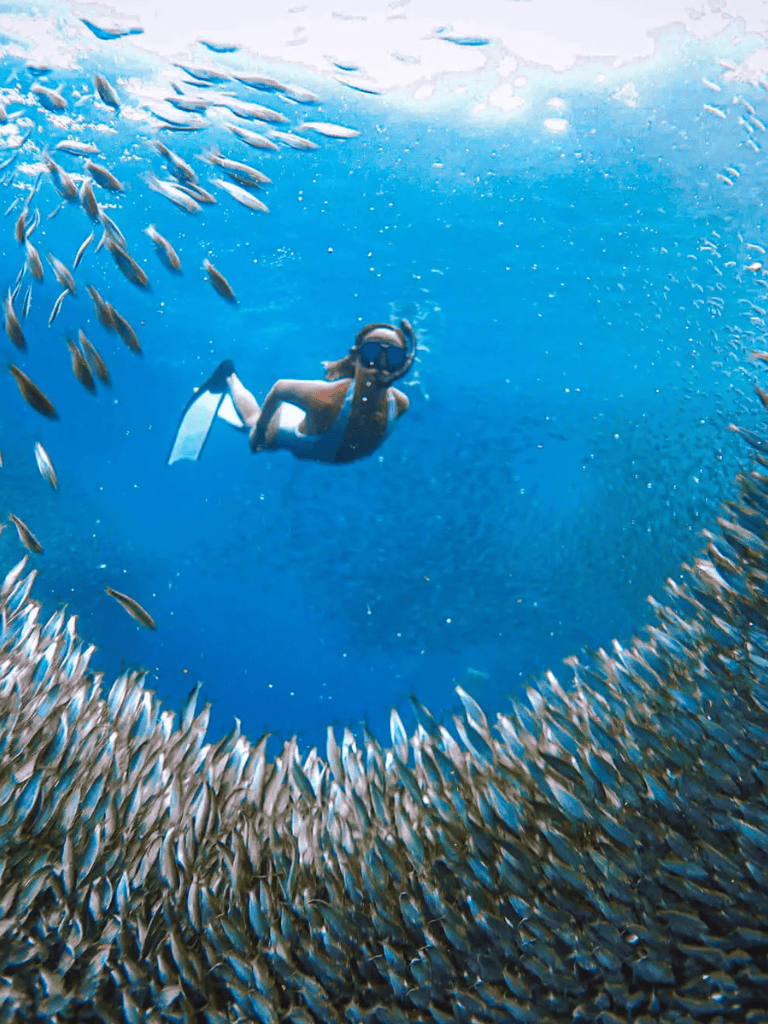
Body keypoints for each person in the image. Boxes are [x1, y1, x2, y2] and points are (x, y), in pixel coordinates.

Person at [168, 320, 416, 465]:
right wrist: (258, 435)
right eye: (372, 353)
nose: (379, 365)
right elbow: (281, 388)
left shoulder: (401, 404)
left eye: (391, 357)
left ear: (402, 365)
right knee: (253, 425)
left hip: (321, 444)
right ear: (356, 357)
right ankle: (229, 377)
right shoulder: (328, 400)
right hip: (289, 429)